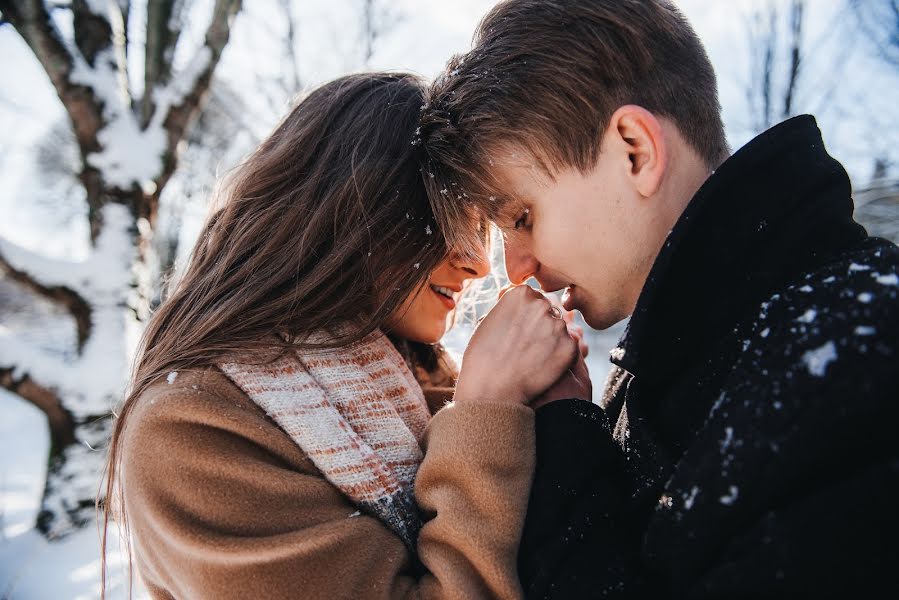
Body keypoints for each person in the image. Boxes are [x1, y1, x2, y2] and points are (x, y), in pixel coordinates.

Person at [418, 0, 899, 597]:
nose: (517, 272)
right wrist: (567, 427)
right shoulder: (684, 359)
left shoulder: (861, 354)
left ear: (634, 151)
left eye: (523, 216)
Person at [101, 72, 582, 599]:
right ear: (353, 212)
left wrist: (559, 423)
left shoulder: (422, 386)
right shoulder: (192, 429)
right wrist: (490, 408)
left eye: (480, 225)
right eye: (442, 219)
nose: (474, 263)